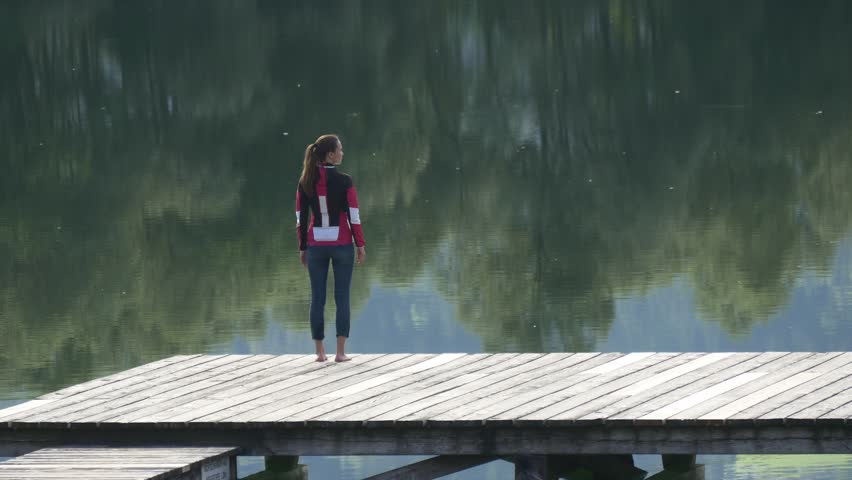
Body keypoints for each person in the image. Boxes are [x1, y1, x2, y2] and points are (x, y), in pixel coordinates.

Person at [296, 134, 366, 362]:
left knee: (317, 298)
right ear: (330, 155)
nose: (342, 153)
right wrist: (360, 244)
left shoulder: (305, 180)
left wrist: (303, 247)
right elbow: (354, 216)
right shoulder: (345, 181)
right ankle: (340, 352)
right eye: (340, 149)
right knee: (342, 297)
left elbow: (301, 217)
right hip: (342, 244)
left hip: (316, 245)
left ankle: (319, 352)